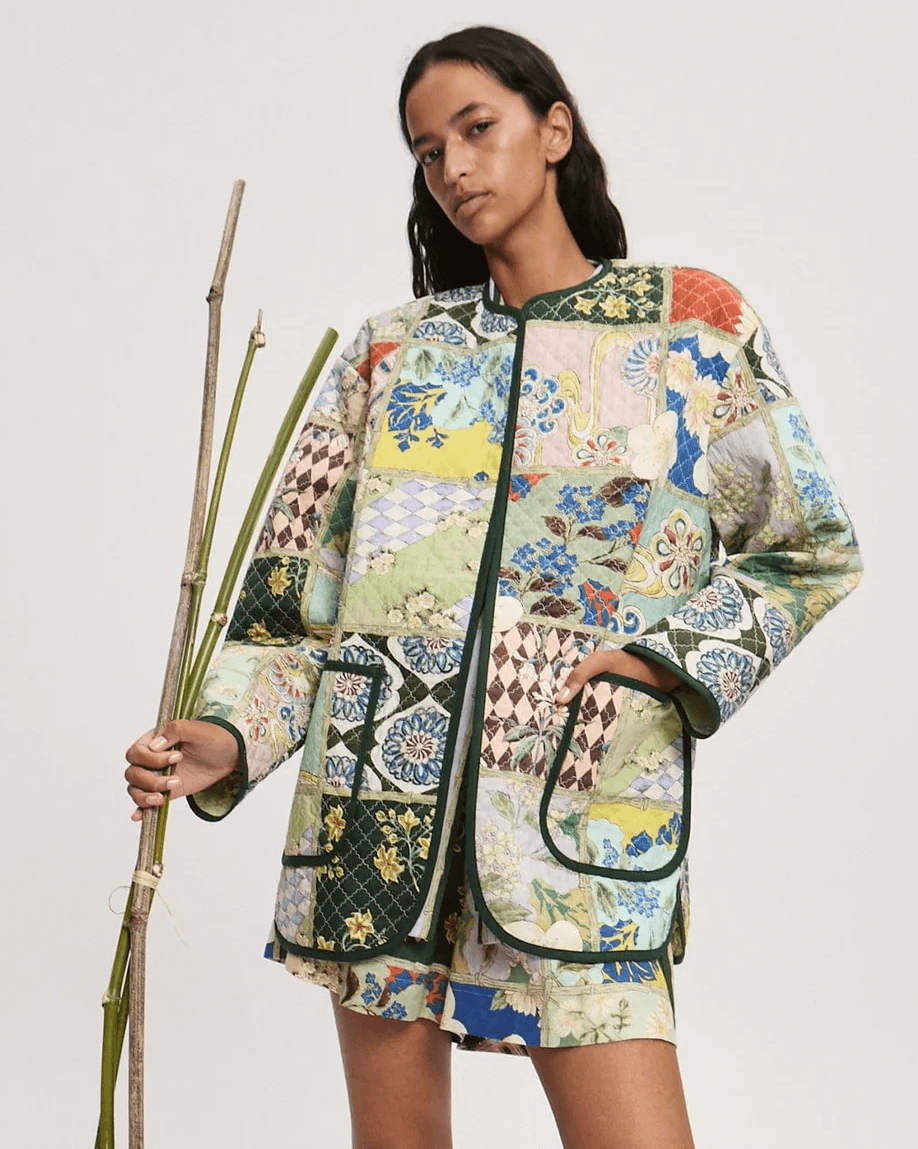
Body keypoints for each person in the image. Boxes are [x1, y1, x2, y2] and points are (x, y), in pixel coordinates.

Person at [124, 25, 862, 1149]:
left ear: (553, 129)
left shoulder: (690, 328)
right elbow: (288, 604)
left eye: (477, 129)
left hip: (574, 812)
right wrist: (228, 734)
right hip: (378, 814)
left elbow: (805, 549)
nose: (454, 168)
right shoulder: (388, 356)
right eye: (428, 152)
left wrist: (658, 662)